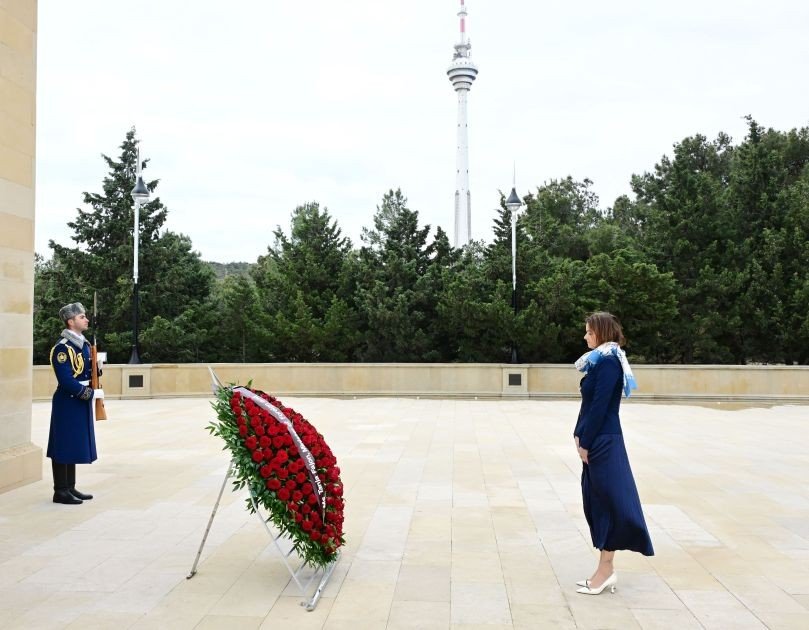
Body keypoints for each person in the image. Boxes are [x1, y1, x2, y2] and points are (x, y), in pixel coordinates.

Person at [573, 311, 653, 595]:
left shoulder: (608, 364)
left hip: (604, 442)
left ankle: (606, 570)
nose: (585, 336)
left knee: (607, 503)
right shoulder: (600, 361)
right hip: (599, 439)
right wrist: (578, 433)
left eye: (589, 332)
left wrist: (586, 440)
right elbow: (590, 405)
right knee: (597, 502)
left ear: (601, 333)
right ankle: (603, 569)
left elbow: (600, 408)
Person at [47, 302, 103, 505]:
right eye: (82, 317)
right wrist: (86, 392)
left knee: (72, 443)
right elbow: (66, 380)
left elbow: (86, 371)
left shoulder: (83, 345)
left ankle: (70, 486)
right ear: (71, 322)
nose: (86, 319)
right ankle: (60, 490)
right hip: (69, 400)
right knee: (63, 443)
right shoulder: (62, 348)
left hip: (80, 400)